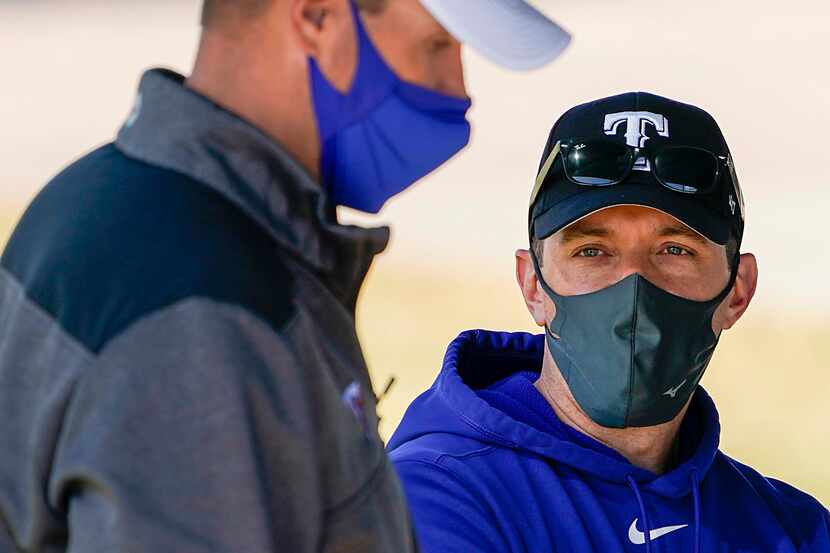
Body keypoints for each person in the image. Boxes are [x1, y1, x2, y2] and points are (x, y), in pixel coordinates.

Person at [0, 1, 571, 551]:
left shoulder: (96, 198)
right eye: (438, 44)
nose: (457, 88)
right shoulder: (205, 315)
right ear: (316, 16)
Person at [388, 92, 830, 552]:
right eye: (591, 252)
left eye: (675, 250)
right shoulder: (431, 500)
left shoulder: (791, 529)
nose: (633, 285)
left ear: (738, 291)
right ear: (532, 285)